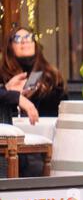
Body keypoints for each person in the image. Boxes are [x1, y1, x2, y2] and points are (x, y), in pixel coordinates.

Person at [0, 26, 67, 177]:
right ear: (9, 46)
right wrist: (9, 92)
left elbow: (58, 111)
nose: (24, 42)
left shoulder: (50, 76)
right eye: (18, 39)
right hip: (10, 147)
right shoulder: (2, 76)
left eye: (29, 37)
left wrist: (40, 93)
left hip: (43, 144)